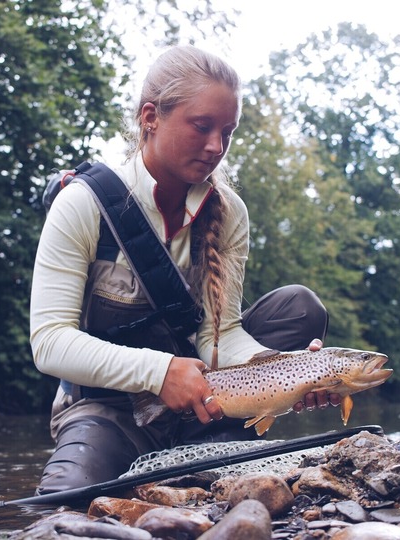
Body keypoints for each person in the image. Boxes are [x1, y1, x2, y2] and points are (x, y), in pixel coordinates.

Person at [30, 45, 340, 495]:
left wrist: (290, 373)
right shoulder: (81, 204)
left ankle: (217, 436)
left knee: (298, 307)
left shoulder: (229, 212)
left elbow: (222, 335)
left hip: (207, 404)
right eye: (202, 127)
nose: (217, 147)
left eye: (228, 132)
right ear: (150, 116)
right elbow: (50, 342)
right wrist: (159, 373)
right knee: (61, 504)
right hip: (106, 410)